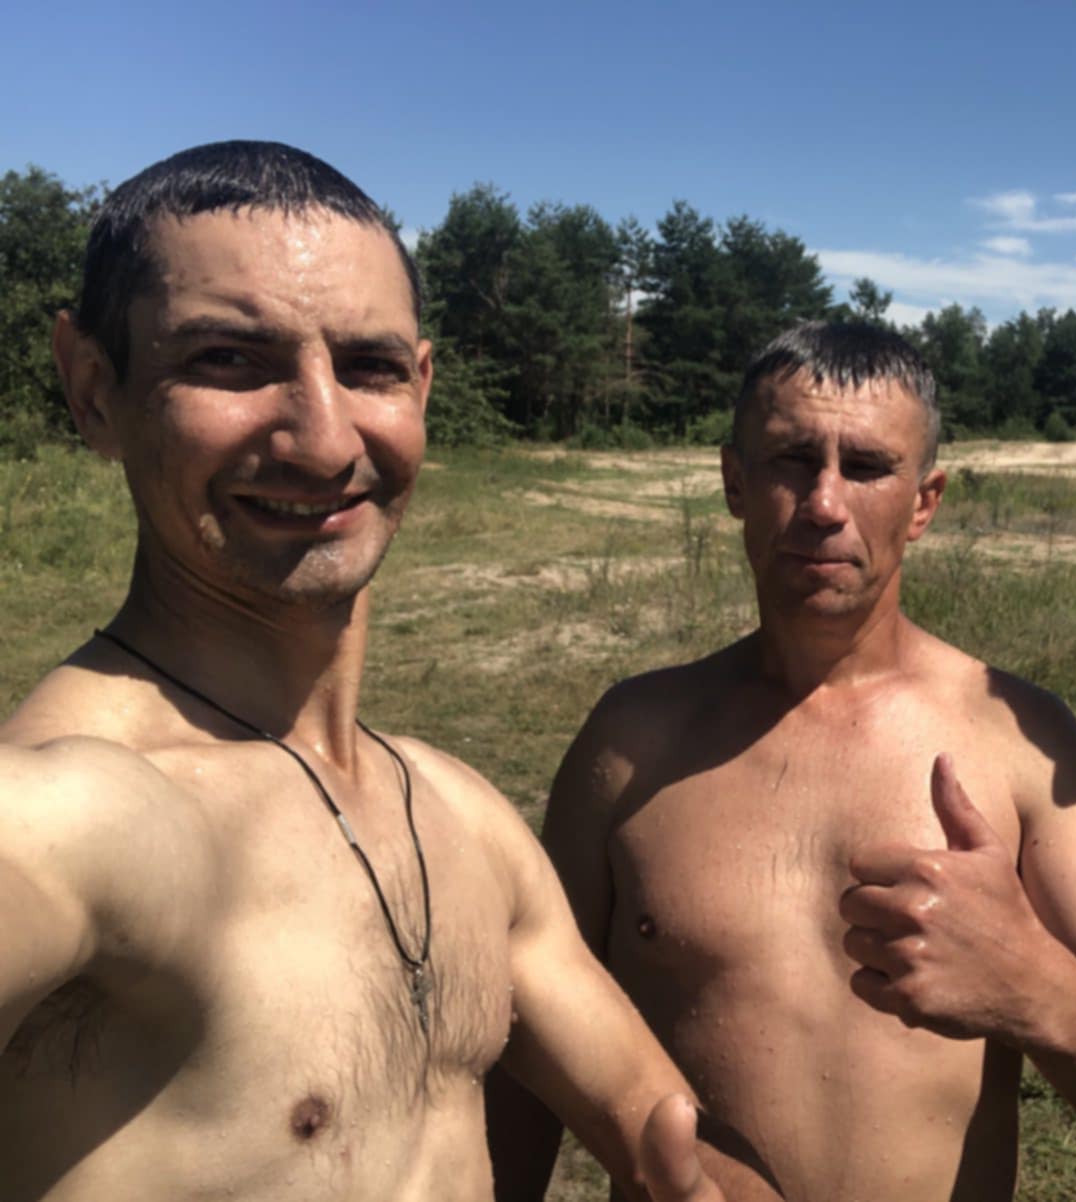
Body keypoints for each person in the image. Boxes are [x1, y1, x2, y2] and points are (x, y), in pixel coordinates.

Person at [0, 140, 767, 1202]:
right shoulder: (71, 813)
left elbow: (662, 1132)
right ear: (93, 389)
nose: (324, 441)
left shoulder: (462, 817)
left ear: (422, 386)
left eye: (368, 368)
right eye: (228, 359)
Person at [535, 322, 1076, 1202]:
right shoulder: (630, 743)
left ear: (924, 502)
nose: (825, 503)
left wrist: (1031, 984)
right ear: (734, 481)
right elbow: (527, 1049)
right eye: (793, 460)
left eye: (867, 467)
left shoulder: (1016, 738)